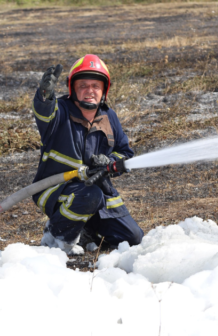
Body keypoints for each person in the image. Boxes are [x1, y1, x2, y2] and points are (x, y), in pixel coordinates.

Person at [31, 54, 144, 255]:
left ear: (104, 90)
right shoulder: (60, 111)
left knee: (133, 238)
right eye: (83, 85)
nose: (89, 91)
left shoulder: (109, 117)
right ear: (73, 89)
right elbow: (44, 113)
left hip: (99, 191)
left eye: (95, 86)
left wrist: (109, 161)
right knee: (90, 195)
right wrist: (44, 95)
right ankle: (56, 235)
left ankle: (87, 231)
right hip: (57, 188)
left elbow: (125, 152)